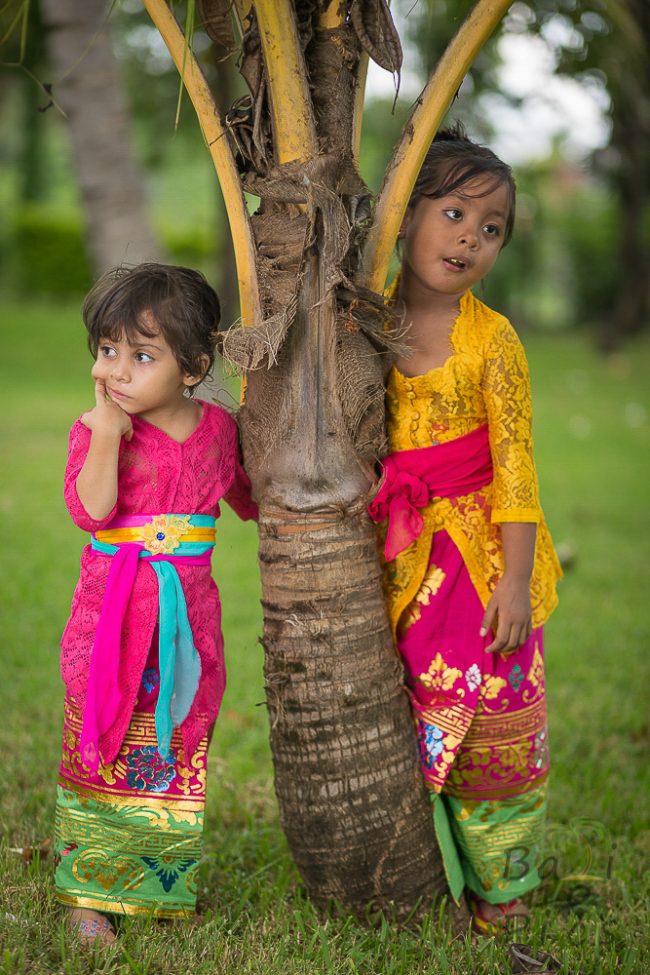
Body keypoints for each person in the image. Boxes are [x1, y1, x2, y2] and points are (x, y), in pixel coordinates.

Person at [368, 125, 562, 935]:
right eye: (453, 213)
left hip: (483, 564)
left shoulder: (494, 340)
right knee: (414, 720)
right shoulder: (363, 330)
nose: (470, 240)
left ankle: (504, 886)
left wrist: (514, 582)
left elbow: (517, 468)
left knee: (496, 729)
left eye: (491, 230)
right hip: (401, 562)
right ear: (404, 216)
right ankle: (435, 880)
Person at [53, 263, 257, 945]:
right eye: (107, 350)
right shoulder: (99, 429)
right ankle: (87, 893)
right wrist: (107, 431)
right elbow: (93, 509)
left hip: (187, 624)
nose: (117, 369)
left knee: (173, 741)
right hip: (110, 618)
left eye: (142, 355)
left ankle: (154, 877)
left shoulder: (219, 432)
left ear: (195, 365)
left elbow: (251, 499)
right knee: (103, 739)